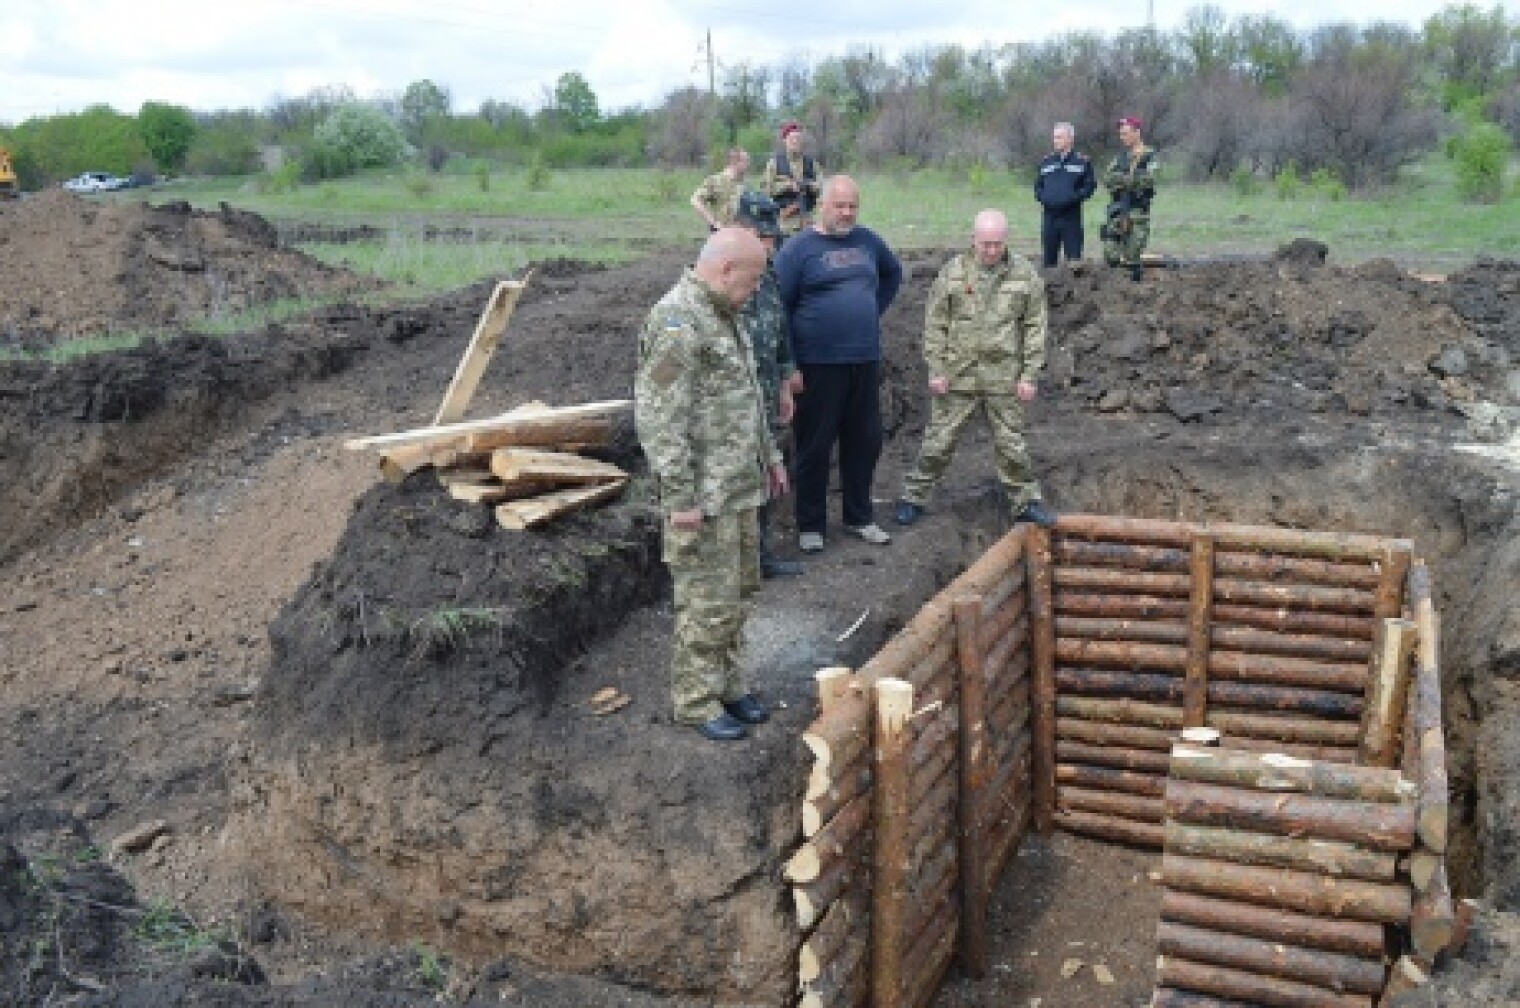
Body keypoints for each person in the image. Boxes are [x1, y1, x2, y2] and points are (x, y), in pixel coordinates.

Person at [634, 228, 790, 742]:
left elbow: (747, 396)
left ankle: (728, 684)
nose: (755, 290)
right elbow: (660, 419)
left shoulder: (727, 318)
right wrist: (679, 497)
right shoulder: (679, 323)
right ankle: (696, 700)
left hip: (740, 487)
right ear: (724, 271)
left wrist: (770, 457)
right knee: (706, 600)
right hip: (705, 497)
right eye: (752, 280)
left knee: (739, 593)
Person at [895, 210, 1057, 529]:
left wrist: (1029, 375)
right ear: (973, 239)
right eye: (985, 244)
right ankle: (914, 498)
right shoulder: (952, 273)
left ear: (1005, 240)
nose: (991, 251)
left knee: (1012, 443)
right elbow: (935, 324)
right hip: (958, 373)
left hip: (1004, 376)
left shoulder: (1024, 276)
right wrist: (936, 369)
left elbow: (1036, 327)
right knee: (939, 441)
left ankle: (1024, 501)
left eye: (997, 244)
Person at [774, 175, 903, 554]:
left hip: (863, 359)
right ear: (822, 205)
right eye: (839, 206)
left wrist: (869, 310)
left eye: (852, 206)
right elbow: (779, 307)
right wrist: (789, 366)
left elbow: (892, 274)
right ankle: (811, 524)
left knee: (865, 441)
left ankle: (859, 516)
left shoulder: (868, 241)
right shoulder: (798, 250)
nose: (846, 213)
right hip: (817, 364)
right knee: (814, 445)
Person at [732, 192, 805, 578]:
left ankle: (760, 555)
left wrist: (783, 379)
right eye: (762, 237)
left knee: (766, 474)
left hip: (765, 390)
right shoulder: (720, 273)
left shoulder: (769, 274)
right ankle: (736, 564)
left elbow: (779, 331)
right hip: (733, 400)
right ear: (740, 230)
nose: (769, 245)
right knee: (736, 482)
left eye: (772, 239)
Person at [1101, 116, 1158, 281]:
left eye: (1126, 133)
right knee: (1110, 254)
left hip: (1137, 212)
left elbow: (1149, 180)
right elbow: (1107, 179)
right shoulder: (1120, 157)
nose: (1122, 137)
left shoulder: (1149, 156)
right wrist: (1129, 179)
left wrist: (1123, 180)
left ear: (1137, 133)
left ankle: (1135, 289)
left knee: (1132, 256)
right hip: (1118, 210)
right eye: (1121, 134)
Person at [1033, 121, 1097, 268]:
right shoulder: (1046, 162)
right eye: (1055, 137)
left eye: (1060, 137)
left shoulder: (1081, 162)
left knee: (1074, 262)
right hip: (1050, 217)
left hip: (1071, 218)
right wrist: (1043, 198)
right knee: (1049, 262)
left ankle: (1074, 290)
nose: (1056, 141)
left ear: (1070, 139)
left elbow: (1089, 186)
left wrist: (1073, 198)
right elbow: (1038, 186)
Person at [762, 122, 820, 240]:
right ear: (785, 140)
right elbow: (766, 190)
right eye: (792, 138)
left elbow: (822, 187)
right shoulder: (774, 164)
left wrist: (808, 185)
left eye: (798, 138)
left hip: (808, 220)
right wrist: (787, 186)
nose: (795, 141)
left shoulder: (811, 163)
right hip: (784, 222)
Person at [690, 148, 750, 232]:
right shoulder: (715, 181)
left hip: (739, 234)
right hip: (721, 234)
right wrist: (713, 223)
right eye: (745, 161)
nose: (748, 164)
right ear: (734, 162)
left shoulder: (744, 184)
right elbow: (695, 200)